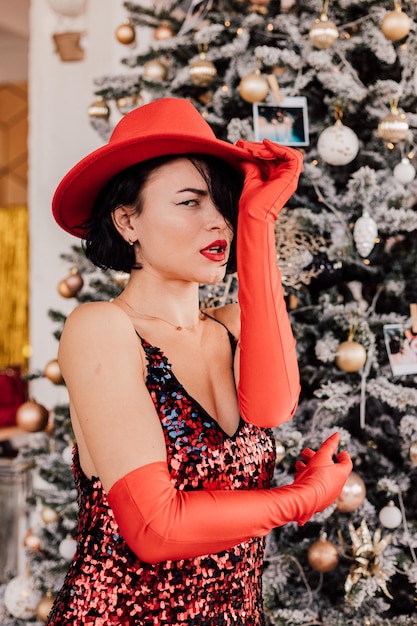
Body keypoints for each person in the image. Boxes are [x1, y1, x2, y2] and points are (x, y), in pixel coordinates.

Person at [47, 98, 352, 625]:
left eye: (223, 204)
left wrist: (257, 222)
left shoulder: (233, 323)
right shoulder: (101, 329)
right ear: (127, 221)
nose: (218, 222)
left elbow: (273, 406)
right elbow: (155, 527)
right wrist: (300, 499)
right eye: (189, 202)